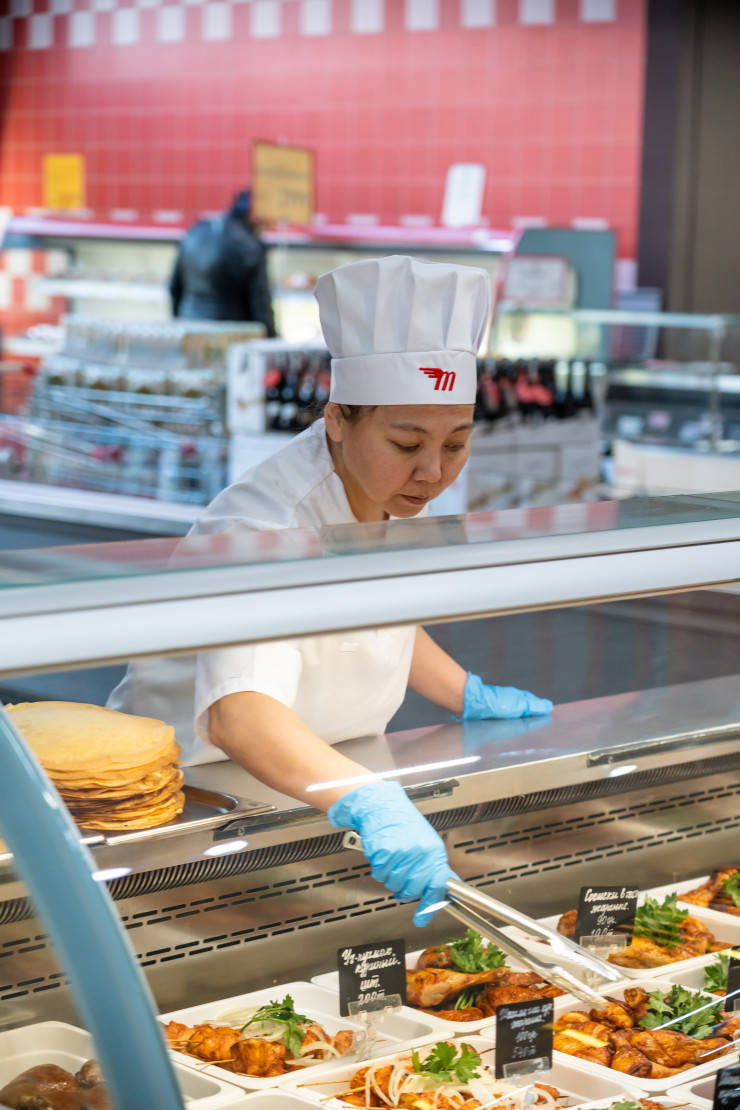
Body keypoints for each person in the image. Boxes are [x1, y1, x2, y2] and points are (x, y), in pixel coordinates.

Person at [109, 255, 552, 924]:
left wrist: (464, 691)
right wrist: (370, 801)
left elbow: (375, 616)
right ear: (338, 418)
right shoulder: (264, 526)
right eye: (407, 443)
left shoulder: (393, 488)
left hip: (316, 782)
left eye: (456, 444)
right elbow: (238, 715)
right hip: (194, 810)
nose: (433, 472)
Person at [169, 189, 277, 336]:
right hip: (231, 334)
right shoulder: (250, 246)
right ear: (255, 213)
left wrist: (179, 322)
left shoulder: (195, 232)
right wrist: (271, 338)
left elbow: (174, 288)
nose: (272, 225)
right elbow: (260, 306)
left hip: (188, 327)